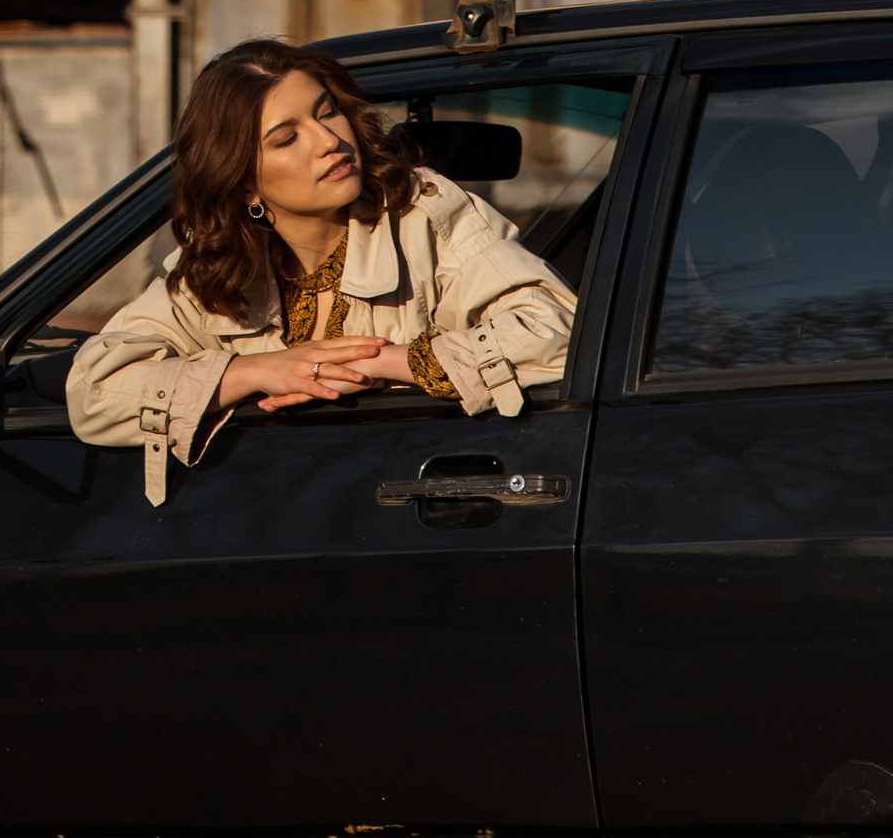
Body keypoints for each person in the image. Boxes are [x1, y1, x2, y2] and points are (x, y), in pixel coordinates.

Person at [67, 38, 575, 504]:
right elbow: (95, 391)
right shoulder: (214, 268)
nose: (329, 140)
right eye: (287, 138)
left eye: (327, 112)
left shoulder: (422, 212)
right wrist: (256, 371)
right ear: (244, 183)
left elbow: (559, 333)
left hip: (429, 502)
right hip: (272, 515)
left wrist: (381, 363)